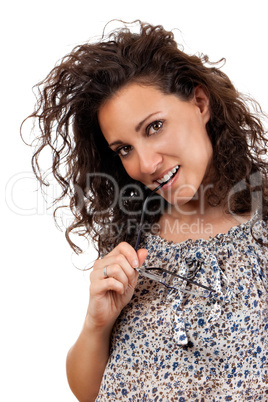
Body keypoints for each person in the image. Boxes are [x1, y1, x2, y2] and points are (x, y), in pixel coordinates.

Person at [23, 21, 268, 401]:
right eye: (124, 149)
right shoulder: (135, 237)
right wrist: (96, 323)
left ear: (200, 104)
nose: (145, 164)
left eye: (154, 127)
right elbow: (89, 392)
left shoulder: (262, 222)